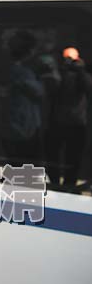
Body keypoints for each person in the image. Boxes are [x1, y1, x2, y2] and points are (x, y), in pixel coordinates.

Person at [45, 47, 92, 192]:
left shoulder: (81, 76)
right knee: (54, 155)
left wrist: (80, 71)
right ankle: (56, 181)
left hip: (74, 123)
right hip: (60, 121)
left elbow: (88, 87)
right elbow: (52, 89)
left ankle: (69, 183)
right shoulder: (58, 74)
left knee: (73, 157)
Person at [3, 31, 44, 167]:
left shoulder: (17, 70)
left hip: (20, 126)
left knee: (18, 164)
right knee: (22, 165)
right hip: (23, 128)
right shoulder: (22, 72)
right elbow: (39, 92)